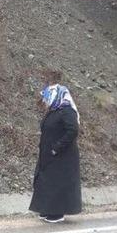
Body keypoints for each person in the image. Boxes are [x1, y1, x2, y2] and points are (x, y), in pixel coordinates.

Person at [30, 83, 82, 223]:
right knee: (46, 182)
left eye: (47, 97)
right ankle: (46, 209)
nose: (45, 101)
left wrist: (57, 147)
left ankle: (57, 213)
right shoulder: (54, 110)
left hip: (62, 157)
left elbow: (73, 131)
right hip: (49, 155)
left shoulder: (67, 111)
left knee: (57, 184)